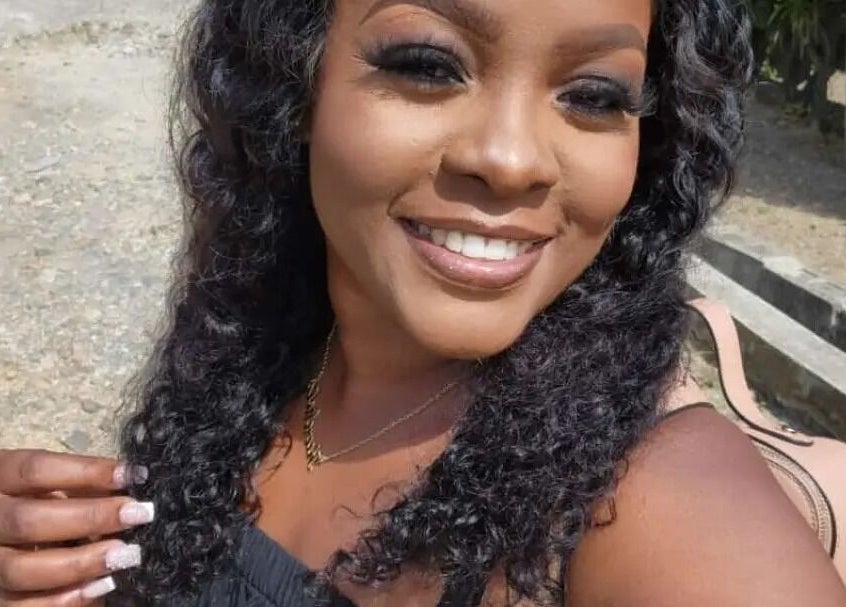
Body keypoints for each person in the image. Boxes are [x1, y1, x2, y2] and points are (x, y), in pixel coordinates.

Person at [1, 0, 845, 605]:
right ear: (295, 78)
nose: (512, 160)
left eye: (595, 95)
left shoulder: (663, 509)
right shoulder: (265, 346)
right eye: (427, 65)